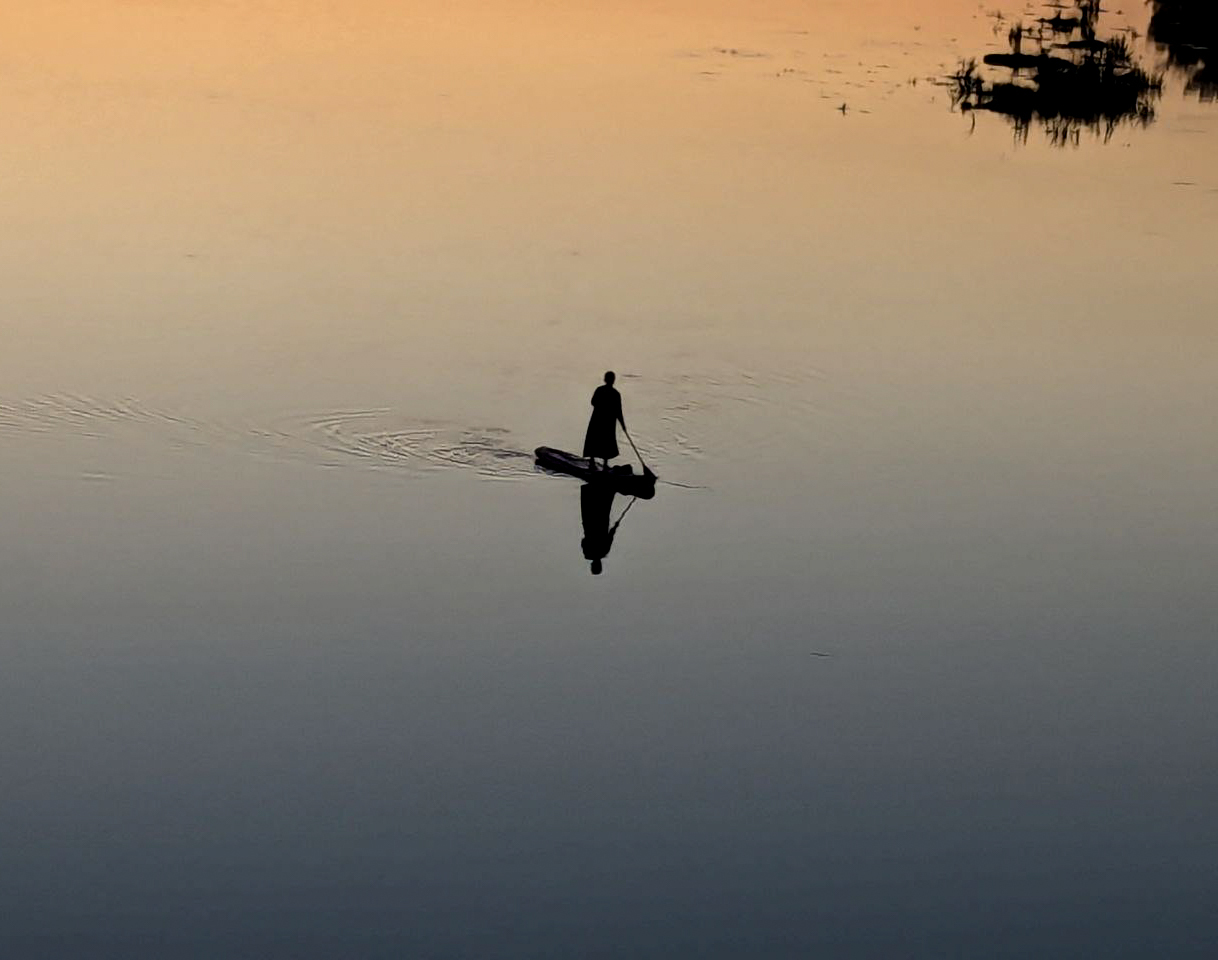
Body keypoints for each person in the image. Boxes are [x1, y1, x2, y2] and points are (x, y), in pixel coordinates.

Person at [582, 371, 625, 471]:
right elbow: (618, 411)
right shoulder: (615, 394)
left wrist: (622, 424)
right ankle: (602, 463)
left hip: (600, 419)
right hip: (605, 421)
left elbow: (594, 402)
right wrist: (622, 424)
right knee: (603, 440)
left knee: (599, 439)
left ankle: (593, 461)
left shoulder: (602, 390)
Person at [580, 483, 619, 576]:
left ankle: (603, 487)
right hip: (589, 525)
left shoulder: (604, 551)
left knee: (604, 507)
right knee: (592, 507)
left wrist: (615, 526)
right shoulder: (588, 553)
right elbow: (583, 542)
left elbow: (610, 536)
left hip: (601, 524)